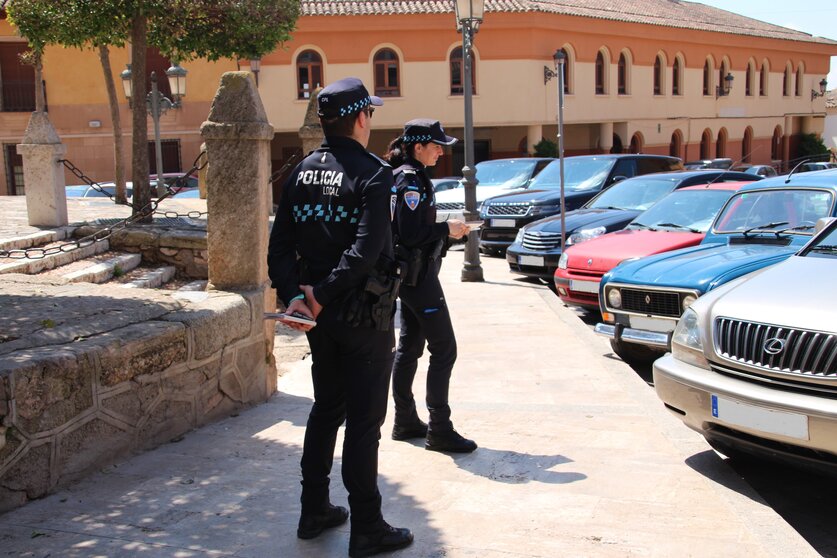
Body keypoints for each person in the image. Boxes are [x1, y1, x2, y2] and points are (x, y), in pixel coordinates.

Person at [267, 77, 413, 558]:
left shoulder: (301, 171)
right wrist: (323, 296)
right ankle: (367, 527)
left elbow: (280, 246)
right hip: (361, 317)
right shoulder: (374, 174)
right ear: (361, 118)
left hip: (318, 319)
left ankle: (314, 510)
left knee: (327, 408)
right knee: (365, 421)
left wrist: (298, 299)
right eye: (370, 112)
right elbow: (367, 249)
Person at [385, 119, 477, 454]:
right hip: (418, 278)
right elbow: (410, 234)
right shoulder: (410, 179)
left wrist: (444, 231)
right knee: (445, 349)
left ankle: (405, 419)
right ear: (418, 146)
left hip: (411, 277)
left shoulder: (407, 175)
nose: (441, 151)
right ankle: (439, 428)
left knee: (410, 347)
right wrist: (446, 230)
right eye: (437, 145)